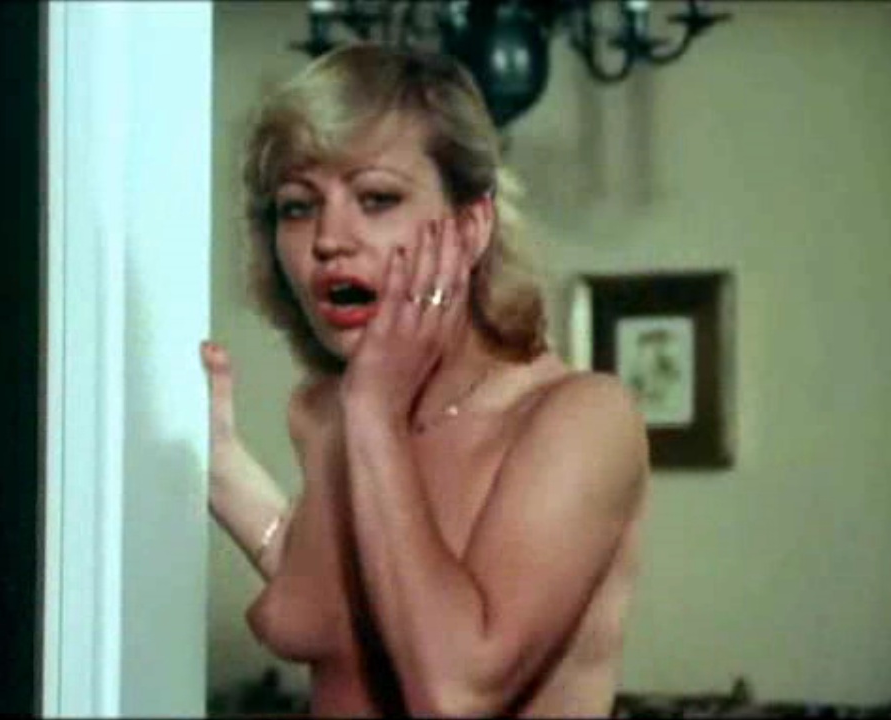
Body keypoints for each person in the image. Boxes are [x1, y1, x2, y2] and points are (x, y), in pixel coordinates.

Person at [200, 42, 649, 718]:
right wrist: (220, 467)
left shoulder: (582, 420)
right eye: (297, 206)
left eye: (376, 198)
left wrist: (374, 414)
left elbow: (456, 691)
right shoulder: (330, 415)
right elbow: (350, 605)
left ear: (471, 226)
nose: (329, 239)